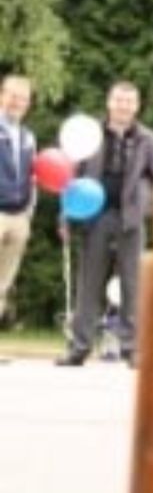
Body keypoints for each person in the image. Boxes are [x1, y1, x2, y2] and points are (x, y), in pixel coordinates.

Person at [56, 81, 153, 367]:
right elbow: (71, 177)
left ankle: (133, 349)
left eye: (129, 101)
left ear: (137, 106)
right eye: (119, 100)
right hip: (95, 216)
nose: (123, 106)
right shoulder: (89, 135)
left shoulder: (148, 139)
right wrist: (65, 216)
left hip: (131, 218)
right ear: (109, 102)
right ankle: (79, 347)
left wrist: (148, 206)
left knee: (133, 284)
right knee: (88, 283)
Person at [0, 75, 37, 330]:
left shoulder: (28, 137)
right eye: (13, 96)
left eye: (23, 99)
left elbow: (33, 176)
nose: (17, 103)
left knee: (3, 282)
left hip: (18, 217)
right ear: (2, 95)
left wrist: (28, 214)